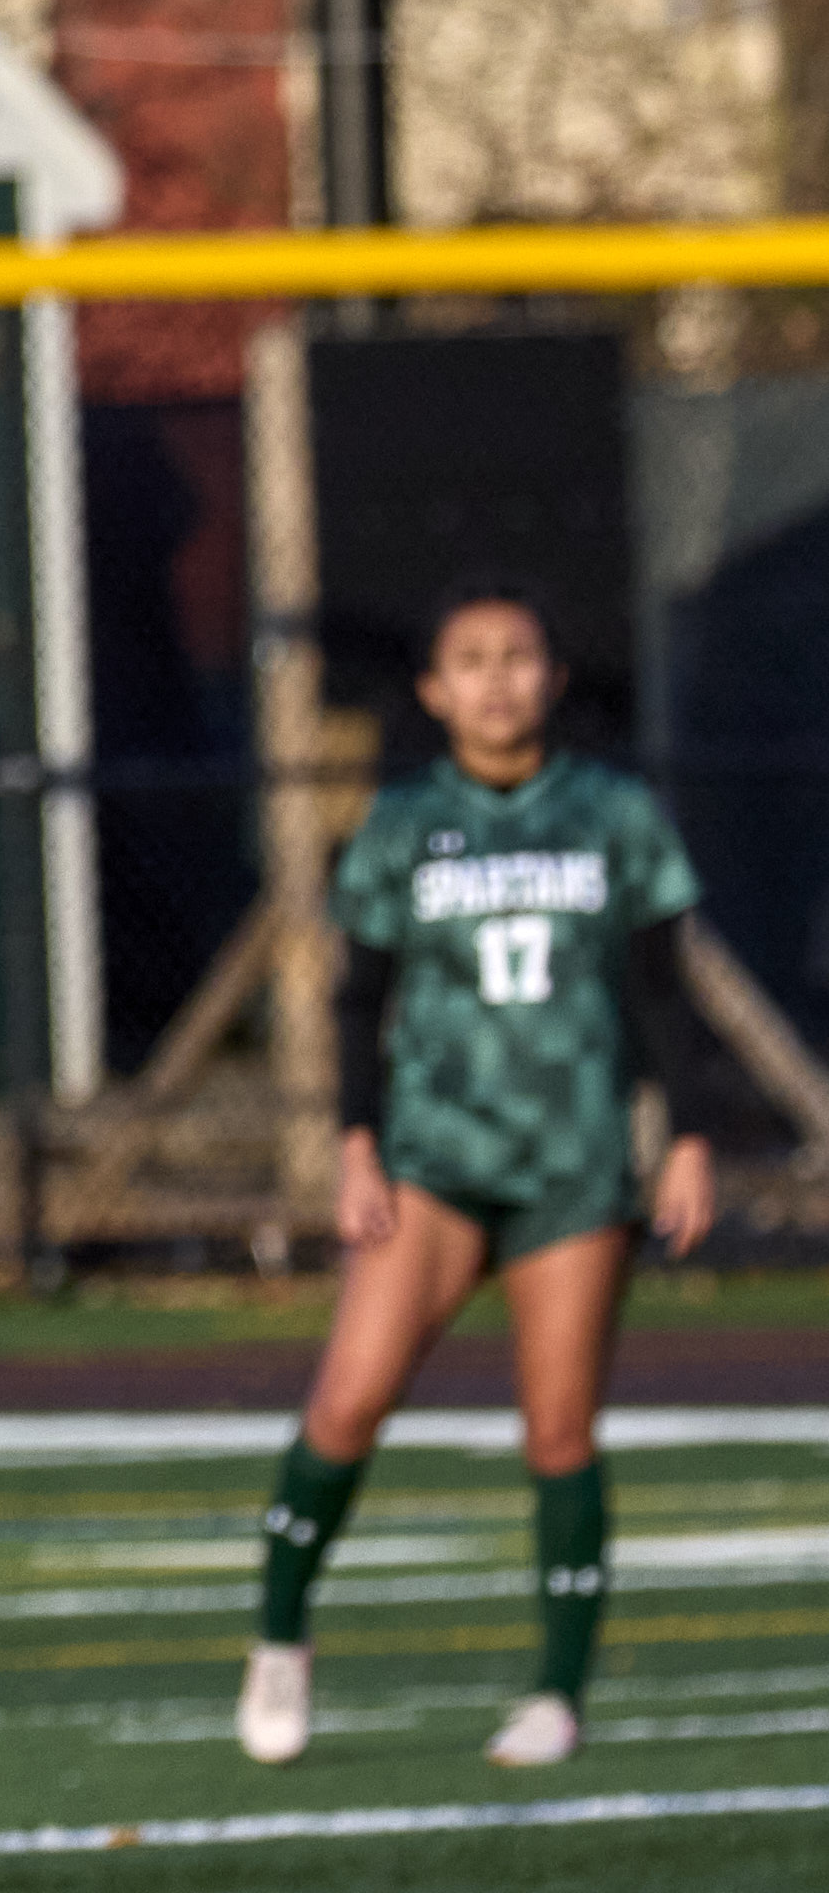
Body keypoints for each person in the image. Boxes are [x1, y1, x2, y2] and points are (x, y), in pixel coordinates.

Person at [239, 580, 722, 1769]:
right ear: (434, 690)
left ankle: (558, 1691)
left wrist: (692, 1134)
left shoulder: (613, 811)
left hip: (573, 1158)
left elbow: (663, 988)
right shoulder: (401, 823)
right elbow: (360, 1001)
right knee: (347, 1403)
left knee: (559, 1430)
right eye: (472, 659)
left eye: (519, 655)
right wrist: (355, 1144)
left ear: (555, 677)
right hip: (436, 1160)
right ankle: (280, 1637)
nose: (498, 678)